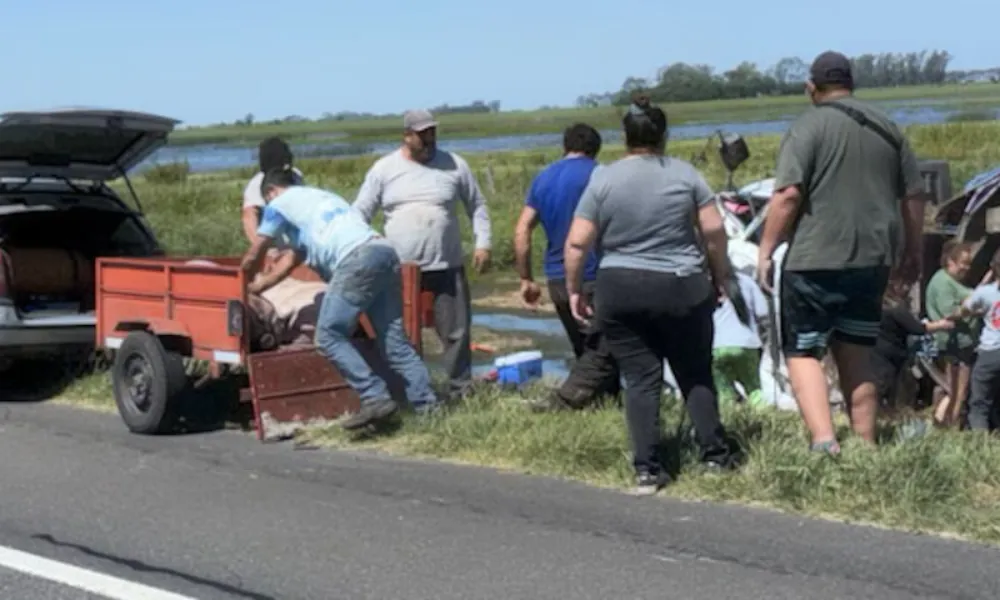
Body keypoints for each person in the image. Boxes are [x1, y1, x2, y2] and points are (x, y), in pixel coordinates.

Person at [756, 50, 928, 455]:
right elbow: (914, 196)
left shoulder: (808, 126)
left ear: (810, 88)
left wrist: (766, 247)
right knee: (857, 350)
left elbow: (788, 194)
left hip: (815, 258)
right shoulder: (888, 128)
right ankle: (865, 444)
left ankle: (824, 441)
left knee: (803, 351)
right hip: (873, 259)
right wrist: (913, 251)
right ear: (852, 84)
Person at [564, 94, 736, 495]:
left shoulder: (602, 179)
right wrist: (719, 275)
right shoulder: (685, 174)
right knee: (694, 371)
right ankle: (714, 454)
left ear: (624, 137)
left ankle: (647, 468)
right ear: (664, 135)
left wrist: (575, 289)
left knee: (640, 378)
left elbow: (577, 243)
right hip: (681, 284)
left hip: (620, 286)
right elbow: (713, 231)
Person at [240, 167, 440, 430]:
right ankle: (429, 413)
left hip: (356, 259)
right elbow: (291, 260)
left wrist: (242, 281)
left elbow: (258, 250)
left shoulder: (278, 203)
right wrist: (261, 286)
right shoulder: (318, 200)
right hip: (384, 253)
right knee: (395, 342)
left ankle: (374, 396)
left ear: (270, 192)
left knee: (328, 335)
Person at [353, 109, 492, 400]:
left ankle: (460, 391)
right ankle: (406, 392)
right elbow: (359, 213)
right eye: (422, 134)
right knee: (400, 334)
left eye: (432, 132)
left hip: (446, 265)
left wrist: (483, 243)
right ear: (406, 136)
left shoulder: (454, 165)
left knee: (456, 333)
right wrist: (367, 244)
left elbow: (477, 206)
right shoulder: (384, 169)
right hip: (401, 271)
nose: (429, 139)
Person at [513, 123, 620, 411]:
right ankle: (568, 402)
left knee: (584, 347)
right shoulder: (600, 174)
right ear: (595, 149)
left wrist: (526, 278)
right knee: (605, 349)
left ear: (565, 146)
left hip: (557, 277)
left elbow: (522, 230)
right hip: (592, 273)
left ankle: (602, 407)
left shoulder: (543, 178)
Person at [872, 281, 954, 414]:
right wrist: (941, 324)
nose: (907, 289)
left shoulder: (877, 306)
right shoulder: (895, 309)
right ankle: (886, 416)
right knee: (887, 389)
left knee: (879, 389)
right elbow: (917, 328)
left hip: (877, 352)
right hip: (892, 355)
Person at [925, 241, 977, 427]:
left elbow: (969, 294)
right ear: (950, 261)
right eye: (963, 263)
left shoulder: (951, 281)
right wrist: (975, 308)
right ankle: (947, 426)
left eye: (969, 263)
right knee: (957, 390)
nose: (966, 268)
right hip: (954, 344)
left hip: (959, 342)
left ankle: (942, 424)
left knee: (950, 388)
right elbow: (949, 312)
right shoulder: (942, 283)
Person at [952, 249, 1000, 431]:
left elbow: (964, 308)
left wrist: (987, 279)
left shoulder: (986, 293)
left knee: (979, 403)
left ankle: (980, 446)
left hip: (990, 352)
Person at [711, 271, 769, 406]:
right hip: (747, 344)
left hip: (716, 347)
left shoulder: (706, 283)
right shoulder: (746, 281)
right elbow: (762, 312)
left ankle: (730, 421)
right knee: (754, 389)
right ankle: (764, 420)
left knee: (724, 392)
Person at [241, 137, 305, 244]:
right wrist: (260, 247)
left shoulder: (296, 176)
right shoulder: (256, 184)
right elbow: (249, 217)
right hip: (275, 243)